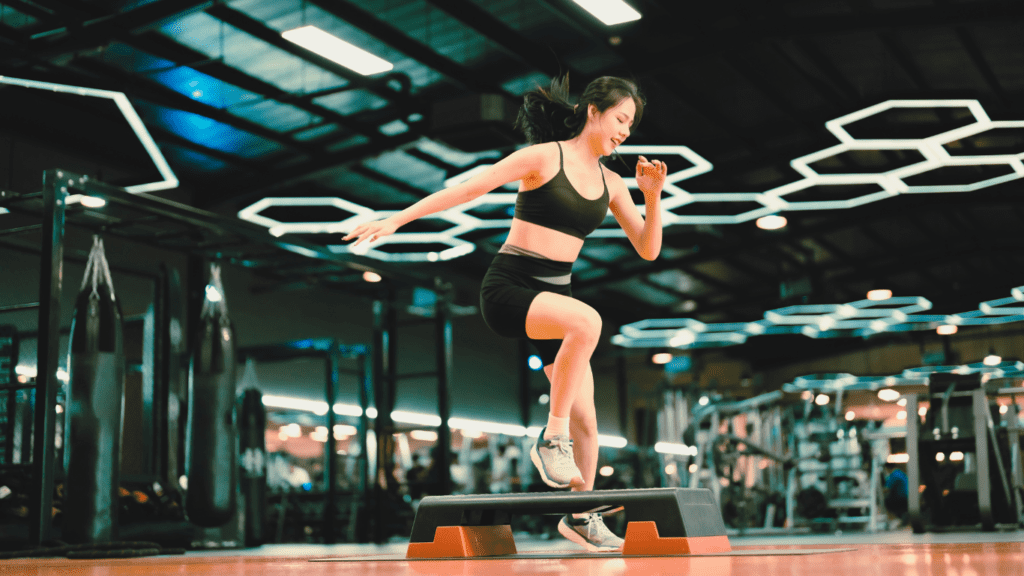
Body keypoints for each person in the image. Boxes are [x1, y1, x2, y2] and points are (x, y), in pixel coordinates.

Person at [344, 74, 667, 552]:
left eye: (631, 126)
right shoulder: (544, 157)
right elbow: (469, 190)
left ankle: (581, 515)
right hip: (510, 288)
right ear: (593, 111)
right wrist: (396, 219)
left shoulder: (613, 183)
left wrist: (652, 195)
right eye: (620, 119)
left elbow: (648, 249)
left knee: (588, 419)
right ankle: (549, 440)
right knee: (588, 321)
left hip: (555, 301)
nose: (625, 131)